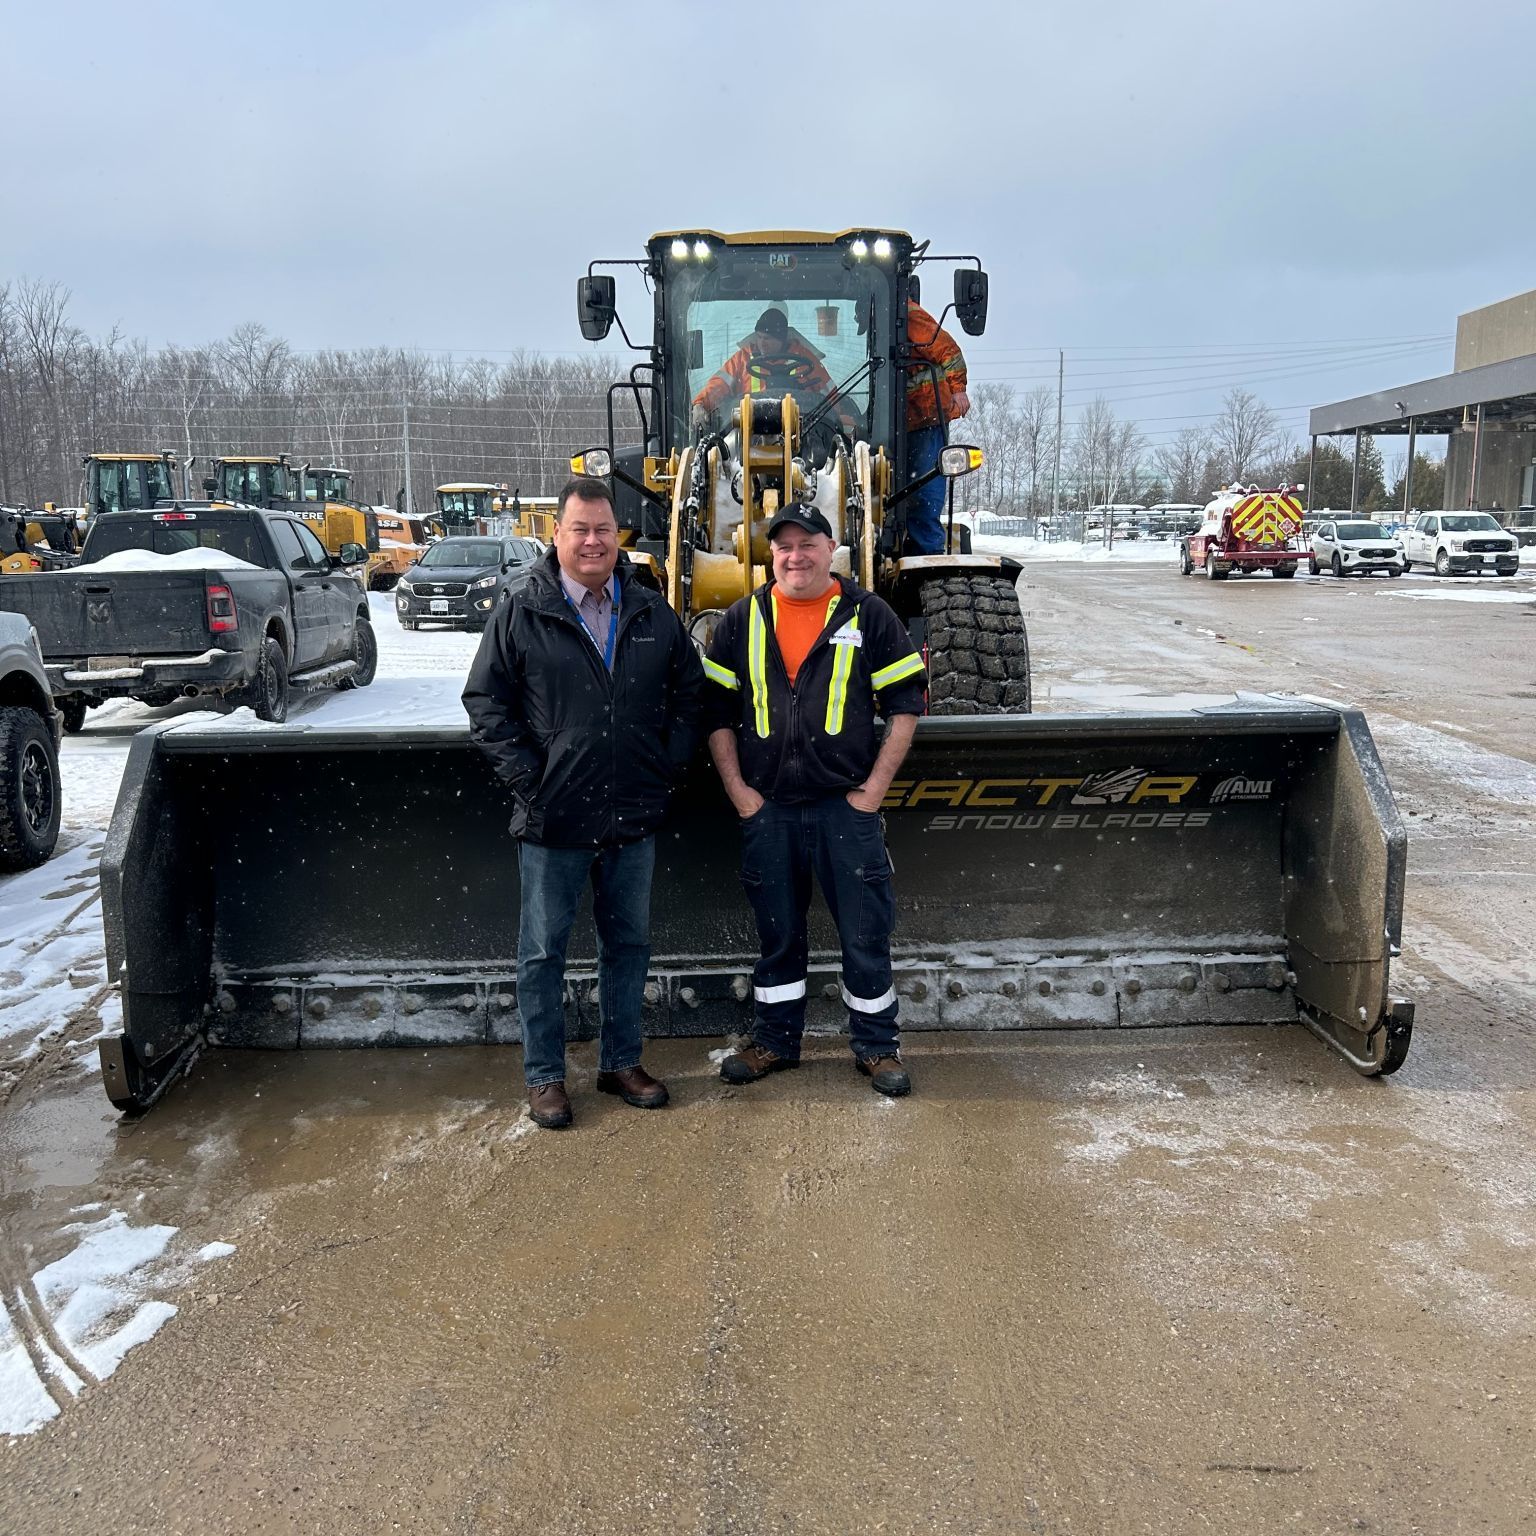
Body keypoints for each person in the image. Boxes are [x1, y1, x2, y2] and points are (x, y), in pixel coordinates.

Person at [462, 477, 704, 1128]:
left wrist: (667, 763)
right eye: (580, 529)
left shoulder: (652, 612)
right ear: (558, 535)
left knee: (628, 947)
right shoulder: (522, 609)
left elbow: (691, 693)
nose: (593, 540)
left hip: (633, 815)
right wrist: (528, 779)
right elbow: (485, 701)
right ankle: (544, 1078)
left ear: (616, 534)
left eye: (603, 528)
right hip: (555, 819)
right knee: (542, 952)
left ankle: (621, 1061)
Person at [703, 505, 927, 1097]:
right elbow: (715, 713)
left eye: (808, 544)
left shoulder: (869, 615)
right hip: (768, 810)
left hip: (842, 811)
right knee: (777, 934)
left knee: (864, 931)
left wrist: (872, 792)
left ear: (832, 550)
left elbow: (906, 704)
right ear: (770, 554)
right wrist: (740, 793)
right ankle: (776, 1041)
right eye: (783, 546)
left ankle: (877, 1047)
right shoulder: (741, 619)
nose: (795, 556)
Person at [691, 306, 854, 435]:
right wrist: (701, 404)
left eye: (768, 338)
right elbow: (719, 385)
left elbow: (829, 393)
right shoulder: (743, 358)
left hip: (803, 431)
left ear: (781, 339)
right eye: (759, 337)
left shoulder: (804, 358)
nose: (762, 343)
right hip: (748, 429)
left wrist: (839, 419)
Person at [904, 295, 972, 554]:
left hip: (925, 415)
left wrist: (958, 389)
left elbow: (947, 349)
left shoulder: (906, 313)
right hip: (903, 420)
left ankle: (928, 554)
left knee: (923, 488)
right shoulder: (878, 311)